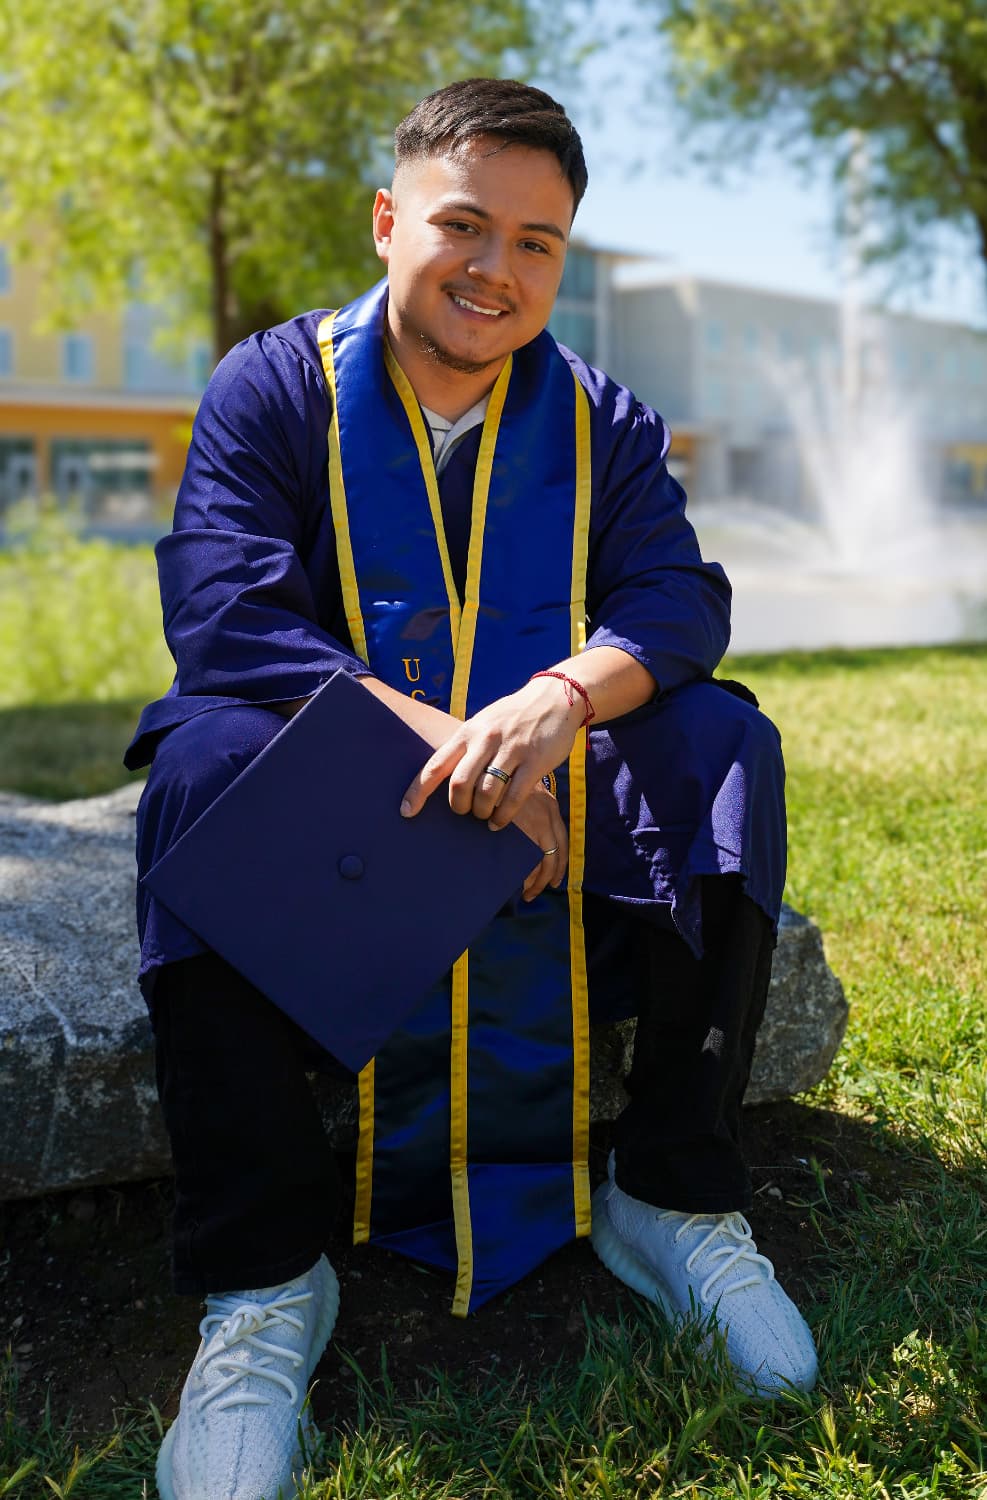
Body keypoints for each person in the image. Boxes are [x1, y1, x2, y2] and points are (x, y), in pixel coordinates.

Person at [127, 77, 817, 1500]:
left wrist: (557, 704)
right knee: (199, 766)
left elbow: (677, 598)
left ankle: (669, 1194)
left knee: (719, 745)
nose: (496, 269)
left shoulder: (602, 418)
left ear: (563, 257)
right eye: (463, 225)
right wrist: (462, 756)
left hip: (553, 847)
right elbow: (227, 614)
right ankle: (267, 1278)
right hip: (350, 825)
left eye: (536, 242)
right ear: (389, 222)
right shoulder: (276, 386)